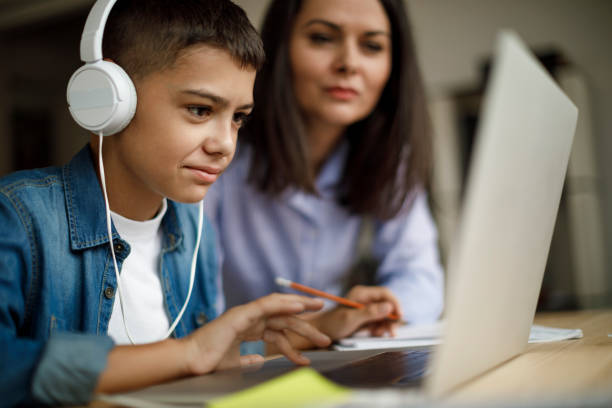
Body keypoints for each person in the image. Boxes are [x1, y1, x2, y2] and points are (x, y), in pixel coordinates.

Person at [0, 1, 333, 406]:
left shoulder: (194, 228)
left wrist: (330, 325)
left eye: (238, 117)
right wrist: (188, 353)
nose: (225, 144)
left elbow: (210, 356)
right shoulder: (18, 217)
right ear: (109, 97)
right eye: (200, 110)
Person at [205, 0, 444, 349]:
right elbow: (195, 317)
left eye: (372, 46)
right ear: (280, 47)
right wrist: (321, 324)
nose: (348, 63)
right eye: (322, 38)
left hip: (323, 353)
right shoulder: (219, 147)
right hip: (232, 364)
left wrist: (380, 310)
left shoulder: (387, 153)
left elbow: (420, 278)